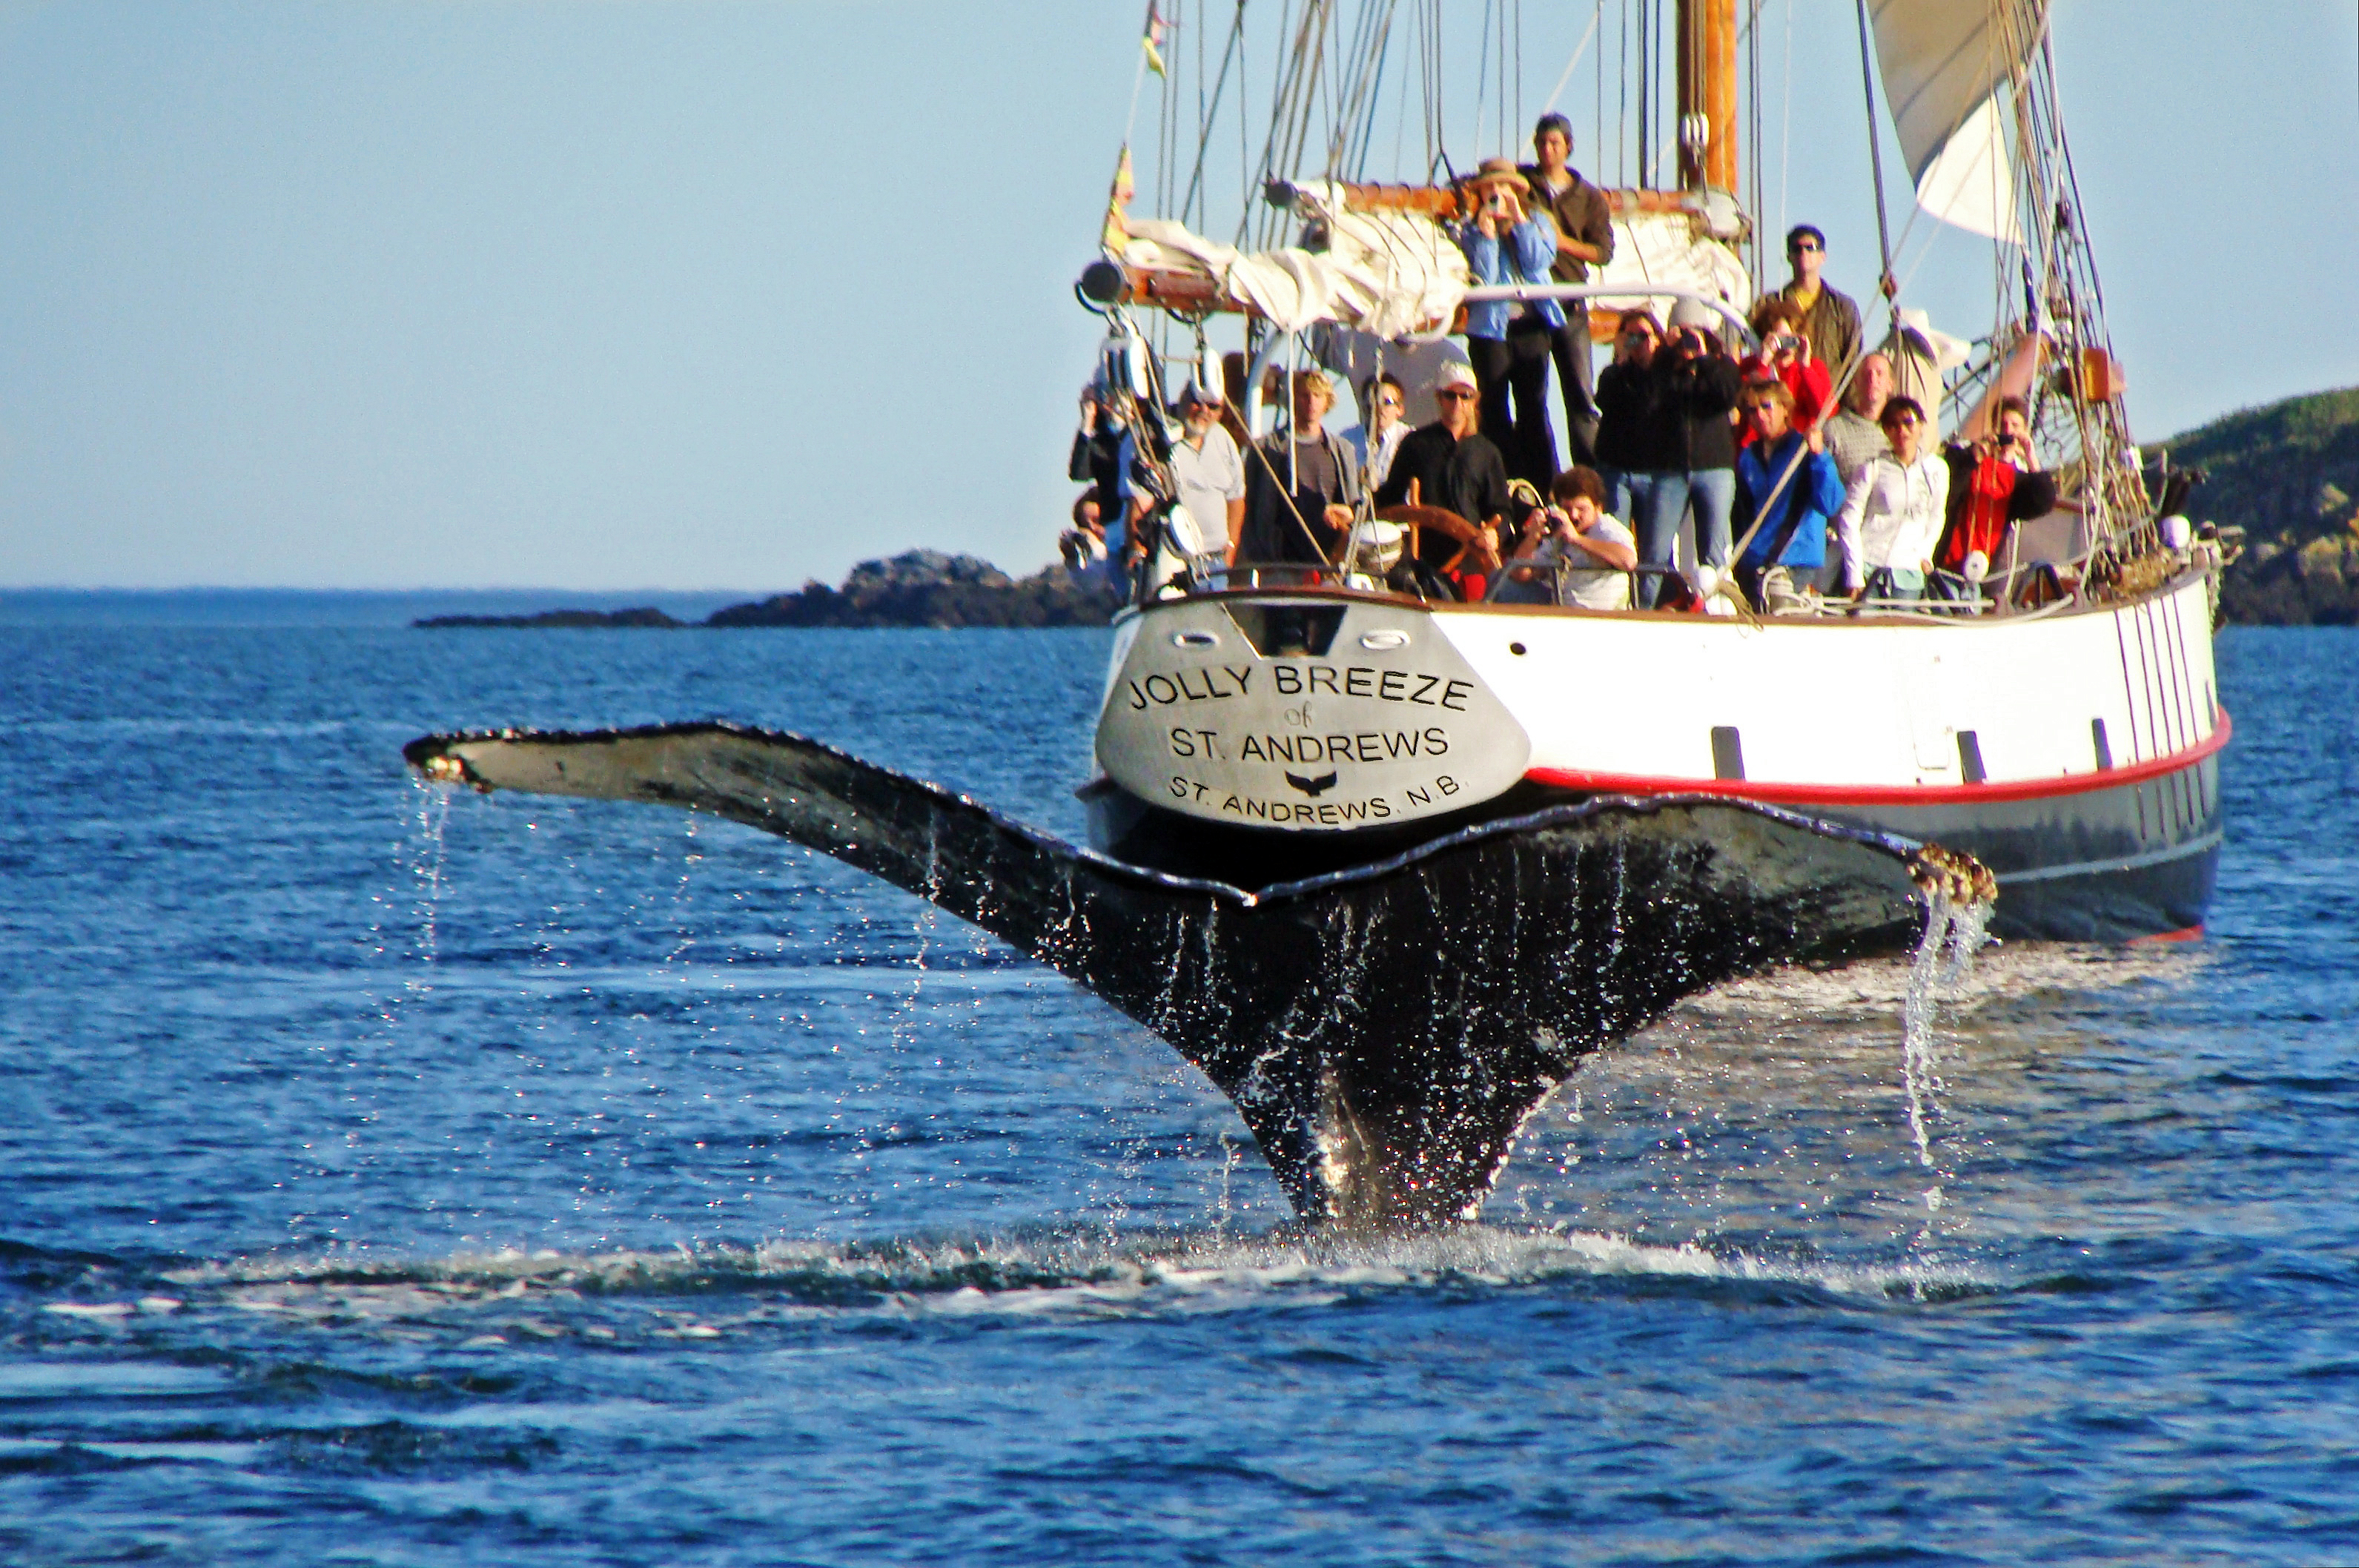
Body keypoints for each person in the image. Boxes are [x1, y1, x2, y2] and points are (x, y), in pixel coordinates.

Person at [1377, 360, 1534, 599]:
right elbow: (1390, 496)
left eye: (1466, 396)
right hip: (1424, 563)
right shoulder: (1416, 444)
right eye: (1451, 396)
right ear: (1439, 398)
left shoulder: (1487, 452)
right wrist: (1356, 510)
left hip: (1472, 564)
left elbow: (1502, 510)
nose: (1458, 403)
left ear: (1475, 400)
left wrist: (1496, 534)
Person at [1455, 157, 1563, 493]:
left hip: (1531, 325)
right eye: (1489, 188)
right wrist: (1487, 237)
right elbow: (1483, 279)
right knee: (1494, 407)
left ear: (1516, 190)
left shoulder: (1539, 221)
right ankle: (1501, 482)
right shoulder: (1469, 229)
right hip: (1491, 329)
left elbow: (1539, 260)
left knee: (1534, 405)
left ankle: (1543, 485)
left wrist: (1519, 221)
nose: (1496, 194)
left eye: (1503, 187)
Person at [1518, 113, 1616, 465]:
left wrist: (1560, 243)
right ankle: (1541, 477)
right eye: (1542, 143)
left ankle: (1589, 477)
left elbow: (1602, 252)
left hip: (1570, 302)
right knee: (1531, 398)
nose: (1547, 150)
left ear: (1568, 147)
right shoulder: (1523, 185)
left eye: (1554, 143)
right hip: (1529, 304)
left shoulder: (1588, 198)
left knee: (1580, 396)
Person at [1633, 298, 1741, 601]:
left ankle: (1717, 608)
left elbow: (1727, 395)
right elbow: (1648, 402)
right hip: (1670, 470)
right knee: (1654, 552)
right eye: (1681, 334)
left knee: (1715, 552)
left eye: (1693, 334)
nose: (1688, 341)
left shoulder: (1721, 367)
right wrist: (1667, 356)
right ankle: (1645, 612)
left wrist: (1704, 359)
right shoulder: (1663, 371)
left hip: (1716, 469)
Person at [1733, 380, 1845, 610]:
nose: (1760, 416)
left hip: (1797, 561)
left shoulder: (1802, 449)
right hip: (1755, 563)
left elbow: (1831, 503)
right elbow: (1742, 514)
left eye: (1767, 407)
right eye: (1753, 410)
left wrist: (1819, 456)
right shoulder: (1748, 458)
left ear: (1785, 409)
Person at [1831, 396, 1949, 603]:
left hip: (1909, 572)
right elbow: (1850, 518)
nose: (1902, 431)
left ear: (1921, 426)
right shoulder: (1872, 468)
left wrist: (1924, 553)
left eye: (1908, 423)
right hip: (1870, 566)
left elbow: (1937, 515)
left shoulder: (1936, 469)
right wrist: (1854, 574)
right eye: (1893, 425)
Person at [1238, 368, 1360, 566]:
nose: (1311, 402)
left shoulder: (1341, 450)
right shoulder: (1266, 448)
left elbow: (1353, 506)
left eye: (1318, 396)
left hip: (1330, 562)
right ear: (1293, 399)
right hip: (1280, 561)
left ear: (1327, 401)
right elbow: (1250, 507)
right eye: (1305, 395)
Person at [1936, 394, 2059, 586]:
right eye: (2003, 425)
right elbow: (1946, 491)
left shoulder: (2019, 477)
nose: (2008, 432)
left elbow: (2044, 502)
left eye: (2014, 426)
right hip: (1949, 563)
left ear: (2024, 431)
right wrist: (1974, 456)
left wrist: (2031, 457)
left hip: (1987, 568)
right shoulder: (1968, 457)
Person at [1493, 466, 1638, 609]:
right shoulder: (1560, 530)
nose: (1574, 516)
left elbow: (1628, 561)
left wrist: (1577, 540)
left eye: (1581, 509)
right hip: (1564, 609)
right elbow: (1520, 574)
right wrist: (1533, 536)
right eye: (1568, 509)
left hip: (1602, 613)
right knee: (1501, 582)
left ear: (1598, 508)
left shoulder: (1607, 528)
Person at [1311, 328, 1473, 428]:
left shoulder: (1450, 359)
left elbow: (1468, 412)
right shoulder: (1360, 341)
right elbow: (1325, 350)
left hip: (1429, 455)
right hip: (1370, 453)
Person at [1592, 307, 1667, 520]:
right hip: (1616, 469)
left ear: (1656, 338)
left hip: (1653, 471)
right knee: (1617, 538)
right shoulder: (1613, 374)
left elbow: (1651, 403)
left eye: (1643, 336)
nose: (1638, 342)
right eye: (1631, 336)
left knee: (1654, 547)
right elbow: (1604, 401)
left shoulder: (1665, 374)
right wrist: (1622, 358)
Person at [1165, 380, 1247, 565]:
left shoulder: (1223, 439)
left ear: (1220, 412)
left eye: (1212, 406)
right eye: (1197, 401)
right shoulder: (1162, 440)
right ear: (1183, 400)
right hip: (1175, 557)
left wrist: (1231, 548)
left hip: (1217, 560)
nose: (1204, 410)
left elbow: (1236, 498)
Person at [1738, 297, 1832, 442]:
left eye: (1790, 339)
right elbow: (1743, 405)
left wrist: (1805, 368)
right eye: (1780, 339)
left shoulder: (1814, 368)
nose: (1785, 346)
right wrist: (1763, 364)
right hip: (1756, 451)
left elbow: (1824, 412)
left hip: (1796, 449)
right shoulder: (1750, 366)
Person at [1776, 225, 1863, 379]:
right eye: (1797, 248)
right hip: (1784, 398)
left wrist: (1849, 403)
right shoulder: (1771, 304)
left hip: (1828, 398)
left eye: (1810, 248)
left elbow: (1853, 361)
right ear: (1789, 256)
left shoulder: (1843, 307)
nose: (1803, 253)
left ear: (1823, 256)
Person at [1820, 351, 1896, 486]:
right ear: (1856, 381)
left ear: (1890, 384)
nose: (1872, 380)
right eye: (1866, 374)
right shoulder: (1834, 430)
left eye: (1879, 373)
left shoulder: (1899, 432)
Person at [1346, 372, 1411, 493]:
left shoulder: (1410, 441)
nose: (1378, 408)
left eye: (1386, 402)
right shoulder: (1346, 441)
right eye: (1372, 401)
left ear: (1400, 409)